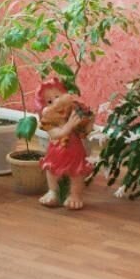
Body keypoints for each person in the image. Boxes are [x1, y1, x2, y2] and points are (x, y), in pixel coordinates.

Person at [36, 78, 94, 210]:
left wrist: (89, 121)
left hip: (74, 150)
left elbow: (85, 131)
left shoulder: (74, 114)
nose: (56, 103)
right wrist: (69, 126)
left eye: (58, 97)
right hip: (56, 151)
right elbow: (56, 134)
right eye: (49, 102)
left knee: (76, 172)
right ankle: (53, 191)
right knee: (52, 170)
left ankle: (75, 195)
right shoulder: (49, 123)